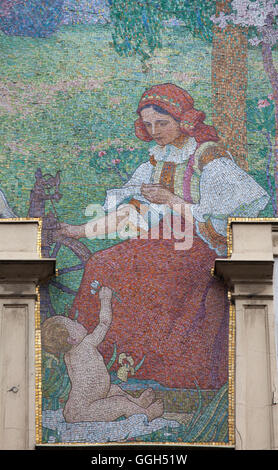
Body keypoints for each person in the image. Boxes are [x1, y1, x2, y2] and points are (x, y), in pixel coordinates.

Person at [58, 83, 269, 390]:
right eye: (148, 124)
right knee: (102, 264)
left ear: (183, 120)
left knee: (155, 272)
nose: (154, 130)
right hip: (162, 240)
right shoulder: (156, 161)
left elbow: (223, 214)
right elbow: (132, 213)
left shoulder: (208, 158)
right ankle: (97, 361)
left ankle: (160, 368)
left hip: (201, 245)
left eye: (162, 123)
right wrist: (79, 230)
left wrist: (170, 200)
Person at [41, 286, 163, 423]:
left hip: (87, 403)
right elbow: (104, 323)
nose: (76, 321)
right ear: (72, 339)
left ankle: (137, 403)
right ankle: (146, 414)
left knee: (115, 390)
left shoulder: (69, 354)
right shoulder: (86, 343)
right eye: (73, 323)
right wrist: (105, 299)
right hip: (84, 410)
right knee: (119, 402)